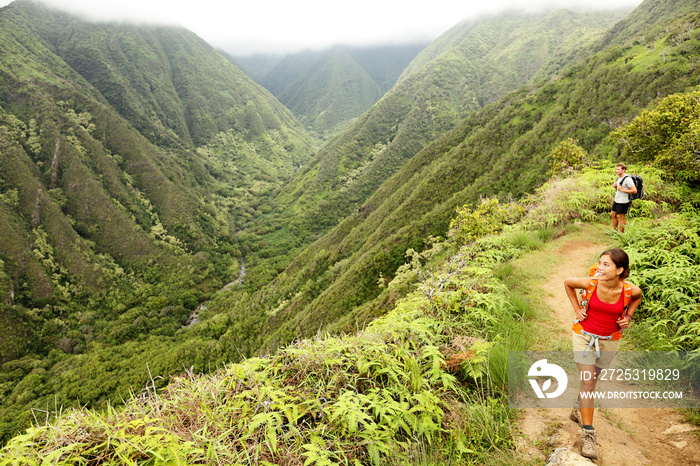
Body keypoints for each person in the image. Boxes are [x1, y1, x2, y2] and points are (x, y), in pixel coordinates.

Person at [564, 248, 642, 459]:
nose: (599, 268)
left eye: (606, 265)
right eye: (600, 263)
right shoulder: (591, 283)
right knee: (588, 382)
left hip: (610, 341)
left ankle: (578, 406)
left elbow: (638, 296)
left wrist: (629, 317)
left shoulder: (628, 290)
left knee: (591, 382)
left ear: (620, 270)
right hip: (584, 337)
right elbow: (568, 283)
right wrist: (576, 309)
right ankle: (588, 434)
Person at [610, 163, 637, 233]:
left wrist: (622, 190)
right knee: (612, 214)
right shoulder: (619, 178)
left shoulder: (628, 179)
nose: (616, 171)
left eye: (618, 169)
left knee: (621, 217)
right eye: (616, 169)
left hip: (623, 201)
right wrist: (616, 186)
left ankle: (621, 234)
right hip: (617, 200)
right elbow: (620, 187)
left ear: (624, 170)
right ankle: (615, 231)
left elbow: (634, 190)